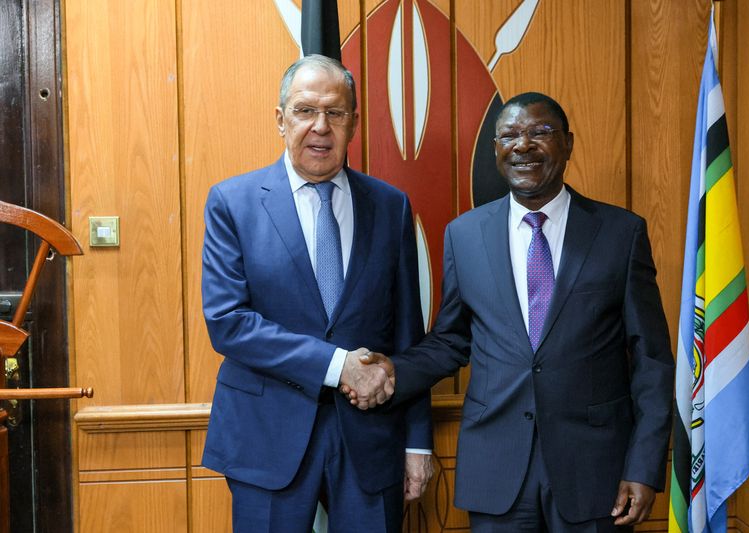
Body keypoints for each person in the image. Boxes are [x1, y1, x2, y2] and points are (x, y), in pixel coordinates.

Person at [352, 92, 674, 531]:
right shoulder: (465, 235)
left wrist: (644, 466)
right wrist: (394, 371)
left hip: (595, 470)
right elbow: (451, 340)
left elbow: (652, 361)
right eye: (510, 135)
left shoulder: (621, 233)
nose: (523, 145)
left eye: (540, 132)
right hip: (496, 469)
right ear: (496, 150)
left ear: (568, 144)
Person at [201, 54, 433, 533]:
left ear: (354, 123)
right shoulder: (233, 203)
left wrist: (417, 442)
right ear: (280, 119)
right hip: (266, 435)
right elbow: (228, 323)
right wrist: (338, 365)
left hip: (371, 438)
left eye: (335, 112)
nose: (320, 127)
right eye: (305, 110)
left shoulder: (390, 206)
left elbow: (408, 336)